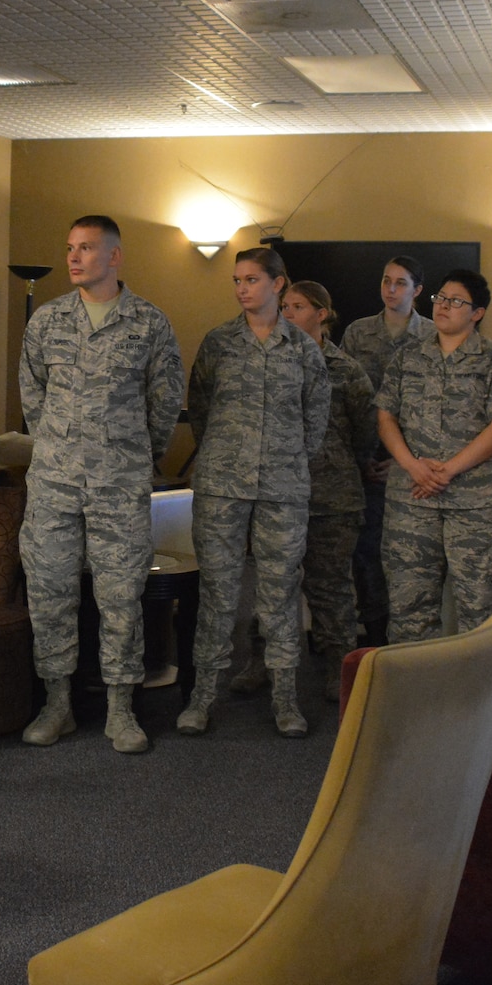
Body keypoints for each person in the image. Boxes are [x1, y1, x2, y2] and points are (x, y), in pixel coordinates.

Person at [17, 215, 183, 753]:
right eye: (69, 247)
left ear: (114, 256)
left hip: (120, 487)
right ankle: (57, 704)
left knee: (120, 597)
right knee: (50, 593)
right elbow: (32, 396)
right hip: (54, 486)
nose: (73, 257)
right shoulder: (46, 321)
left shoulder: (149, 324)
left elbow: (164, 406)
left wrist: (129, 456)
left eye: (86, 248)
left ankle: (120, 709)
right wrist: (60, 450)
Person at [180, 246, 329, 737]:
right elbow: (199, 407)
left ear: (278, 283)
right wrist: (224, 455)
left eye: (252, 280)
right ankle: (203, 697)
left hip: (284, 488)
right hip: (222, 487)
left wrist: (284, 462)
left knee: (281, 594)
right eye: (237, 280)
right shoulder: (219, 343)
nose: (243, 288)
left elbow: (315, 421)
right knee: (218, 593)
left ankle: (285, 699)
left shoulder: (304, 350)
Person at [375, 269, 492, 643]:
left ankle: (478, 702)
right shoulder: (408, 356)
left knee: (482, 611)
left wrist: (447, 471)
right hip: (412, 500)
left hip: (477, 504)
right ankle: (416, 697)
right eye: (440, 298)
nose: (443, 306)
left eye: (456, 301)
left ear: (477, 312)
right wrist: (413, 467)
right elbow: (385, 417)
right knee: (410, 610)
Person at [281, 280, 374, 695]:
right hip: (280, 494)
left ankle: (340, 668)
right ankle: (264, 665)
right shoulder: (274, 362)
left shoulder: (346, 370)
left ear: (321, 314)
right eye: (284, 306)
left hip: (333, 498)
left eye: (298, 307)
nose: (288, 314)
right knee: (274, 584)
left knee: (332, 587)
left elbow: (366, 432)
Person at [339, 255, 430, 646]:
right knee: (366, 553)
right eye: (386, 281)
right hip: (364, 461)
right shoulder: (358, 333)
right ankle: (374, 635)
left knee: (410, 557)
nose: (390, 290)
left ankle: (408, 639)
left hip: (413, 464)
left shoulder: (431, 336)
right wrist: (360, 460)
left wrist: (402, 461)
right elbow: (343, 397)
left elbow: (433, 410)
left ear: (417, 291)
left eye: (400, 283)